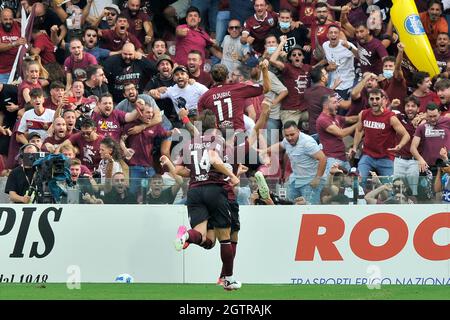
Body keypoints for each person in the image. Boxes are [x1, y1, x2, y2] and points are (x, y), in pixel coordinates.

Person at [172, 109, 241, 291]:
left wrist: (195, 172)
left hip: (194, 191)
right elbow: (213, 158)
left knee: (202, 236)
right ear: (216, 126)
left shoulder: (188, 144)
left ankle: (186, 235)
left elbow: (178, 170)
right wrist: (232, 175)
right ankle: (229, 279)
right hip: (214, 189)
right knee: (225, 238)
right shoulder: (216, 140)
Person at [349, 88, 410, 184]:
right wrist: (355, 147)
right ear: (368, 100)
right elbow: (359, 130)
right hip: (367, 156)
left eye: (377, 99)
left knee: (389, 188)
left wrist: (400, 146)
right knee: (358, 182)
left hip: (385, 158)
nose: (374, 102)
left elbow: (406, 135)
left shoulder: (390, 117)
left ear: (383, 99)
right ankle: (360, 198)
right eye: (372, 99)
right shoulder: (363, 114)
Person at [264, 121, 327, 204]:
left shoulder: (307, 143)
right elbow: (281, 145)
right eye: (287, 135)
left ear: (298, 131)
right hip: (296, 180)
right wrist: (265, 150)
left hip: (311, 181)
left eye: (292, 134)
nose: (289, 138)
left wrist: (317, 178)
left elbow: (323, 158)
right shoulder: (287, 141)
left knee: (310, 208)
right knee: (288, 204)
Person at [316, 94, 358, 175]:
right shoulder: (322, 120)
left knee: (349, 183)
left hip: (343, 158)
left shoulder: (335, 117)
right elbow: (341, 133)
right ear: (326, 105)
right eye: (335, 102)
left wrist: (364, 115)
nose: (338, 104)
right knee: (331, 186)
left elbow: (350, 119)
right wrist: (359, 124)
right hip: (332, 159)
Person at [0, 7, 26, 83]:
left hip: (18, 71)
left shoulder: (18, 25)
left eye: (10, 19)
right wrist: (15, 43)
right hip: (2, 72)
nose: (8, 21)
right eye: (5, 19)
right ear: (0, 19)